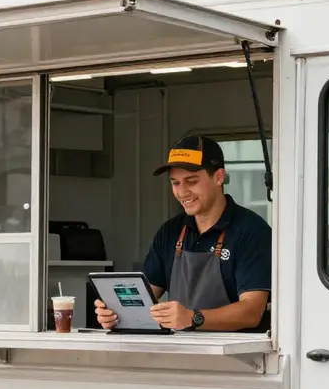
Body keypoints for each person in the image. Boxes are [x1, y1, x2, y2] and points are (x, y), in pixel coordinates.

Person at [95, 135, 272, 332]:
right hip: (181, 353)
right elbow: (143, 297)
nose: (182, 192)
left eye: (191, 181)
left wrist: (193, 318)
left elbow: (251, 311)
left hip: (236, 357)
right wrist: (115, 312)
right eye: (175, 183)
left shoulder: (251, 231)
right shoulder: (171, 231)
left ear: (219, 177)